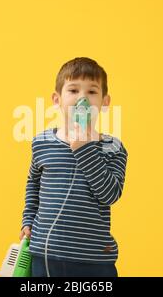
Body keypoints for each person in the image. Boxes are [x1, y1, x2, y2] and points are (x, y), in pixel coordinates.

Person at [19, 57, 128, 277]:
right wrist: (28, 220)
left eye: (91, 92)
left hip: (92, 259)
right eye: (73, 90)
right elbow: (33, 185)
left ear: (104, 102)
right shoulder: (42, 143)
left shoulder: (113, 147)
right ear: (57, 99)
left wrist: (84, 148)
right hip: (46, 253)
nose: (82, 99)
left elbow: (110, 195)